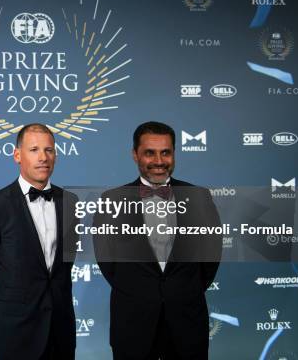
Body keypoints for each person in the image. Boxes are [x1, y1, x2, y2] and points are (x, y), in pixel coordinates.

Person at [93, 121, 222, 360]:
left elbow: (211, 257)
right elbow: (108, 263)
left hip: (187, 323)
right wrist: (140, 291)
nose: (159, 161)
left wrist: (182, 290)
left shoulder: (199, 197)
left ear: (174, 154)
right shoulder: (111, 200)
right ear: (135, 155)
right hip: (133, 324)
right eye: (149, 153)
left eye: (166, 152)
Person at [0, 123, 78, 360]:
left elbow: (62, 270)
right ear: (17, 155)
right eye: (34, 150)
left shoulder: (71, 202)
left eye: (49, 150)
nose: (43, 157)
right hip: (13, 336)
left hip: (61, 334)